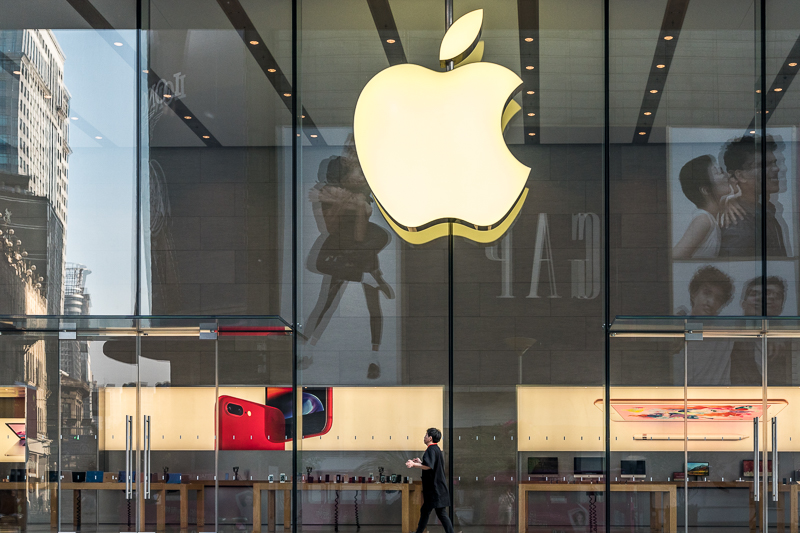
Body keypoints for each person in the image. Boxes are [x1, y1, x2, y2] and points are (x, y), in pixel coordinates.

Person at [719, 135, 788, 258]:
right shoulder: (738, 225)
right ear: (740, 175)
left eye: (774, 162)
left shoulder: (766, 210)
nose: (777, 169)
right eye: (763, 165)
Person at [673, 155, 742, 259]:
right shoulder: (703, 220)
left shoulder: (712, 215)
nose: (726, 175)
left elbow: (739, 194)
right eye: (719, 172)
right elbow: (675, 258)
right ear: (706, 190)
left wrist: (730, 200)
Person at [730, 276, 790, 385]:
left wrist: (779, 334)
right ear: (743, 304)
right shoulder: (728, 335)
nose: (770, 297)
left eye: (777, 295)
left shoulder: (790, 340)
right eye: (754, 294)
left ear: (781, 308)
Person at [406, 428, 454, 533]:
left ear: (430, 438)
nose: (424, 437)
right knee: (426, 511)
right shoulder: (436, 449)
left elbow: (428, 466)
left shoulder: (431, 449)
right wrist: (420, 462)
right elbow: (429, 465)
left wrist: (413, 464)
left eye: (426, 435)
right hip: (436, 489)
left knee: (440, 514)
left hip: (434, 489)